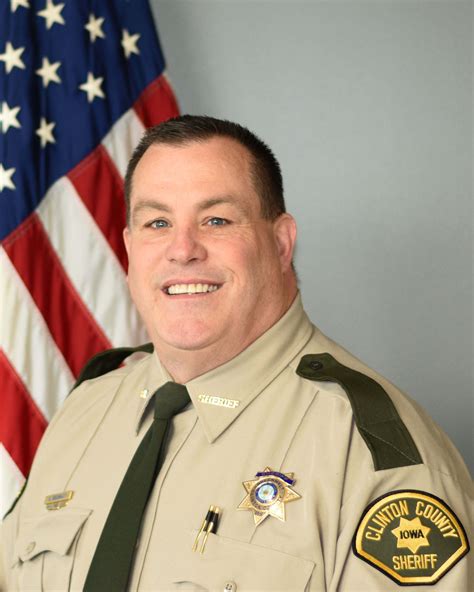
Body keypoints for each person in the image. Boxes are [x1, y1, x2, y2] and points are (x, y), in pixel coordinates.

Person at [0, 115, 471, 591]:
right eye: (157, 222)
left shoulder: (371, 453)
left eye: (216, 220)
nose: (182, 250)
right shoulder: (83, 413)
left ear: (281, 243)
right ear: (128, 247)